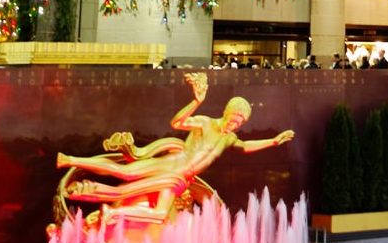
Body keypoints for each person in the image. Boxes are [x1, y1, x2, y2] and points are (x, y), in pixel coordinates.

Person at [55, 72, 293, 223]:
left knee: (159, 214)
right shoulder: (205, 123)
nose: (236, 124)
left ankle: (113, 213)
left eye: (241, 122)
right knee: (126, 172)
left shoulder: (228, 139)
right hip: (172, 164)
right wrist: (196, 102)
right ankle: (70, 160)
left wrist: (273, 141)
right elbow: (177, 122)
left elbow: (245, 146)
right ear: (227, 112)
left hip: (180, 179)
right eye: (235, 118)